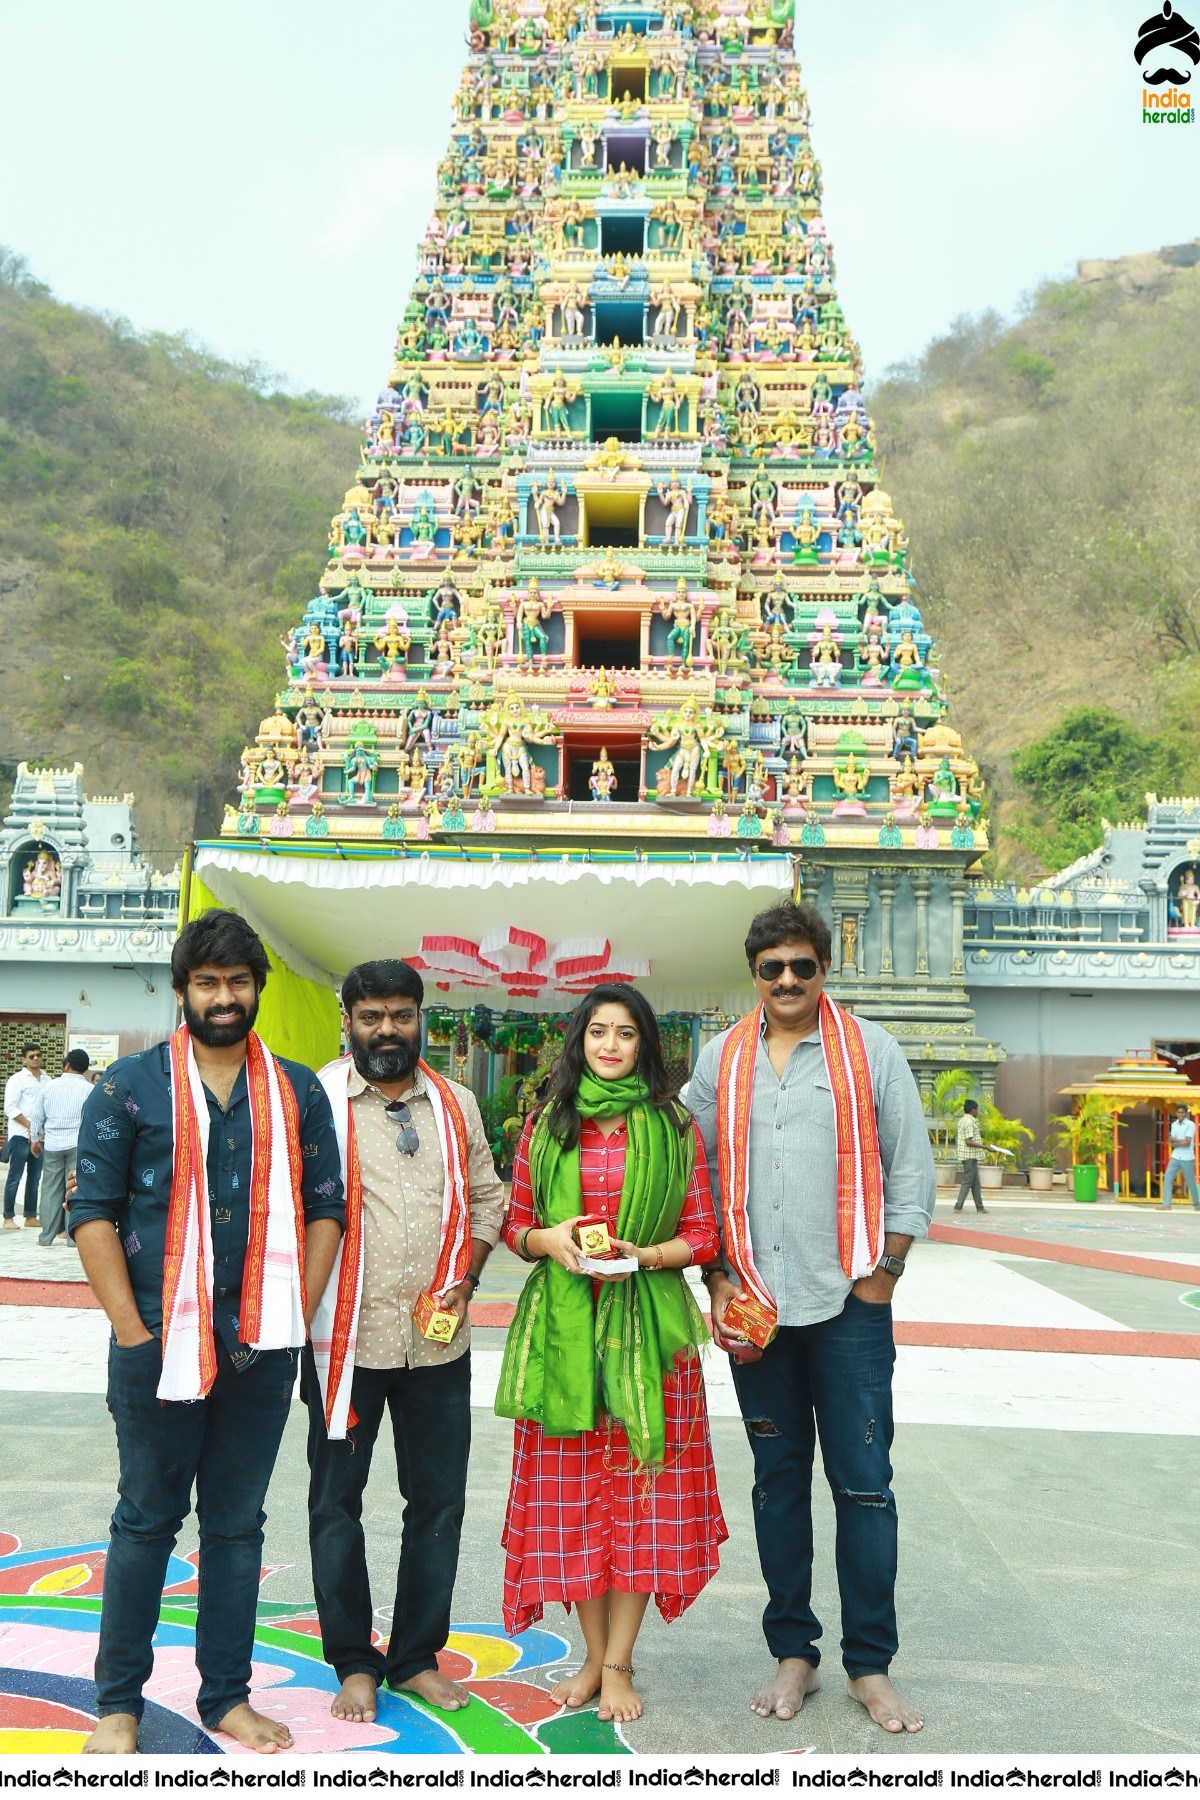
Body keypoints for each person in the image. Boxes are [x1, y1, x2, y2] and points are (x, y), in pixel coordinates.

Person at [68, 909, 346, 1754]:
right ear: (184, 990)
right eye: (207, 983)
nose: (223, 998)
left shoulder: (295, 1090)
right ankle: (119, 1702)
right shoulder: (128, 1087)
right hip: (155, 1347)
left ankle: (225, 1695)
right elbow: (92, 1214)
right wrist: (130, 1330)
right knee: (147, 1520)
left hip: (261, 1348)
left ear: (257, 989)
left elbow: (327, 1207)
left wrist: (290, 1310)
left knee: (236, 1526)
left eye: (237, 982)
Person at [687, 899, 935, 1735]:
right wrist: (716, 1277)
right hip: (754, 1307)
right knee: (777, 1485)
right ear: (753, 973)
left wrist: (885, 1274)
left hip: (850, 1305)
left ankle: (871, 1665)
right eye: (772, 969)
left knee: (865, 1489)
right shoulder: (721, 1059)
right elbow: (695, 1171)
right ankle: (794, 1651)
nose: (788, 980)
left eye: (803, 966)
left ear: (824, 969)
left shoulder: (871, 1050)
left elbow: (910, 1166)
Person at [495, 984, 727, 1726]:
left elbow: (704, 1233)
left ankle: (620, 1661)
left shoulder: (675, 1126)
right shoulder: (546, 1124)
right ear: (579, 1040)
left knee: (641, 1502)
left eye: (626, 1034)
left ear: (645, 1047)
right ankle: (592, 1657)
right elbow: (516, 1226)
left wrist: (647, 1255)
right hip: (563, 1337)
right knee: (570, 1503)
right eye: (598, 1032)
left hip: (650, 1336)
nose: (610, 1046)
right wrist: (550, 1242)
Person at [305, 959, 505, 1725]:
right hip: (342, 1346)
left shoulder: (454, 1102)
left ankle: (416, 1656)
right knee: (336, 1503)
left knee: (438, 1504)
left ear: (422, 1017)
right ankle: (354, 1662)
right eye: (370, 1016)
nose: (386, 1029)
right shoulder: (316, 1101)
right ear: (347, 1019)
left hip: (436, 1346)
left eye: (400, 1015)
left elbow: (487, 1194)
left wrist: (468, 1271)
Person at [27, 1047, 92, 1245]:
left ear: (67, 1065)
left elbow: (36, 1116)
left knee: (50, 1189)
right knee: (75, 1189)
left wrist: (35, 1139)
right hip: (78, 1146)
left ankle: (46, 1236)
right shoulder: (90, 1089)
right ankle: (73, 1239)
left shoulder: (49, 1086)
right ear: (84, 1068)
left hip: (53, 1145)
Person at [3, 1043, 48, 1228]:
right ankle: (8, 1218)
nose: (36, 1058)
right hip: (20, 1136)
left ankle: (30, 1216)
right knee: (15, 1177)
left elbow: (48, 1107)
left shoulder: (47, 1080)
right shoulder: (17, 1079)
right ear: (24, 1059)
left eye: (38, 1055)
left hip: (39, 1137)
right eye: (31, 1056)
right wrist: (31, 1126)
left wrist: (41, 1130)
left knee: (35, 1177)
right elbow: (10, 1108)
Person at [1160, 1104, 1199, 1209]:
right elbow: (1171, 1141)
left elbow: (1187, 1142)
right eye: (1178, 1112)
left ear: (1186, 1113)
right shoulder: (1174, 1125)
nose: (1180, 1114)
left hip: (1187, 1157)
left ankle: (1197, 1204)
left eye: (1182, 1112)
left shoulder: (1191, 1125)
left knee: (1190, 1181)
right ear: (1176, 1113)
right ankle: (1166, 1204)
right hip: (1176, 1156)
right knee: (1168, 1178)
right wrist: (1178, 1141)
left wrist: (1176, 1141)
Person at [954, 1099, 987, 1214]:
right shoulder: (969, 1122)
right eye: (977, 1109)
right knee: (968, 1181)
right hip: (970, 1156)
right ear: (973, 1110)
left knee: (975, 1183)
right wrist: (985, 1147)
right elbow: (968, 1141)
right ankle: (958, 1206)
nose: (977, 1112)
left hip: (970, 1156)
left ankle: (980, 1207)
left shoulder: (963, 1120)